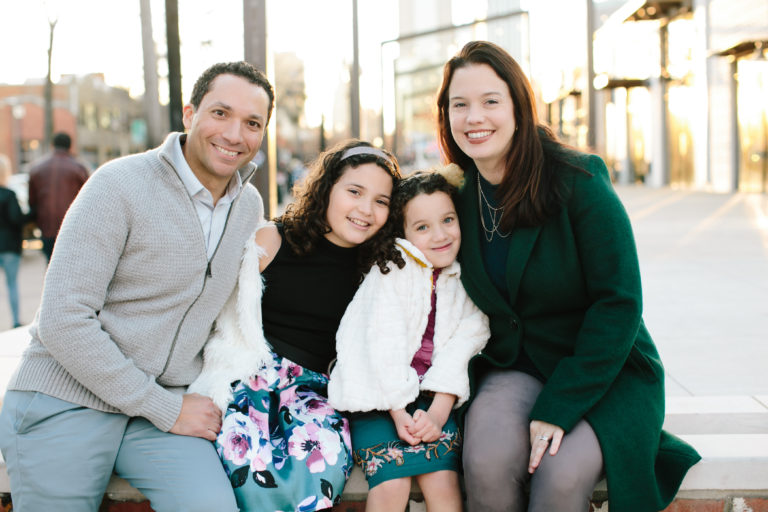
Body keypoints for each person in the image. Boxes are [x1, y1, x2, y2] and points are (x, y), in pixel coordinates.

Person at [435, 41, 701, 512]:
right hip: (515, 366)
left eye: (491, 101)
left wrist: (558, 407)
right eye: (461, 105)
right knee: (486, 463)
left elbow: (618, 302)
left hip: (603, 366)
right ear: (447, 115)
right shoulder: (454, 197)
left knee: (558, 478)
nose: (475, 117)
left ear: (519, 106)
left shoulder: (578, 179)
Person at [0, 61, 275, 512]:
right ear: (189, 115)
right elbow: (63, 319)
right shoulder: (118, 185)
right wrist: (164, 407)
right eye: (221, 113)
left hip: (158, 410)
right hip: (67, 397)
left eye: (252, 123)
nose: (234, 134)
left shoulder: (248, 206)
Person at [189, 140, 402, 511]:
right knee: (243, 466)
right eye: (354, 192)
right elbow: (214, 311)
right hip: (252, 378)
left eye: (381, 201)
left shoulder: (380, 267)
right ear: (327, 190)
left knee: (321, 467)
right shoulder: (274, 240)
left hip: (318, 392)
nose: (365, 210)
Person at [327, 166, 490, 512]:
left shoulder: (465, 276)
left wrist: (439, 410)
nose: (439, 235)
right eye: (422, 227)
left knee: (444, 485)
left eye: (448, 220)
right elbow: (380, 344)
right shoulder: (392, 271)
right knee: (391, 485)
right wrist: (400, 411)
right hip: (378, 399)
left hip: (434, 400)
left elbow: (467, 343)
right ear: (401, 234)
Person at [27, 131, 90, 261]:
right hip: (71, 227)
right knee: (71, 266)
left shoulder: (36, 168)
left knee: (50, 265)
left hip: (46, 226)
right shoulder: (78, 168)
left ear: (52, 145)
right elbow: (89, 199)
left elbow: (32, 201)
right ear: (70, 146)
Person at [0, 154, 25, 328]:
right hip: (9, 247)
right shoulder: (9, 195)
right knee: (12, 285)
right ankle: (15, 321)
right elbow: (17, 219)